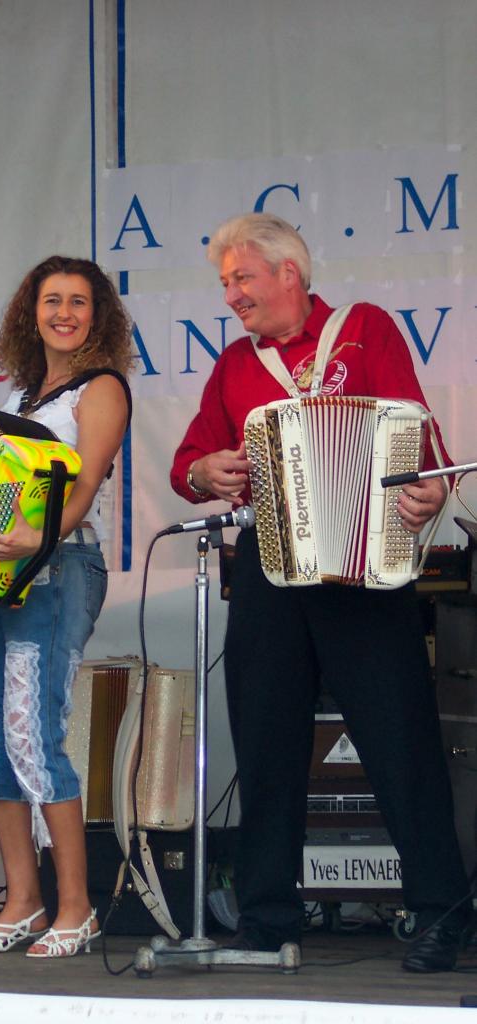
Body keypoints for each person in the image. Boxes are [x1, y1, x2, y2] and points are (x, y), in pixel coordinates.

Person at [170, 213, 472, 973]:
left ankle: (442, 911)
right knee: (266, 746)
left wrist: (426, 497)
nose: (232, 295)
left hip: (364, 573)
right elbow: (189, 464)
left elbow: (419, 439)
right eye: (225, 283)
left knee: (401, 746)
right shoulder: (234, 367)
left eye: (242, 278)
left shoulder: (365, 330)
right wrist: (207, 472)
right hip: (272, 575)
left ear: (288, 275)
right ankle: (269, 918)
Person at [0, 255, 132, 958]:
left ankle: (77, 907)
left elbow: (84, 487)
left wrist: (34, 537)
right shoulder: (23, 395)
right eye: (52, 300)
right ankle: (22, 902)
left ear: (98, 316)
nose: (64, 313)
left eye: (79, 302)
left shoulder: (103, 389)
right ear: (31, 311)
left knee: (36, 733)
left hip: (59, 567)